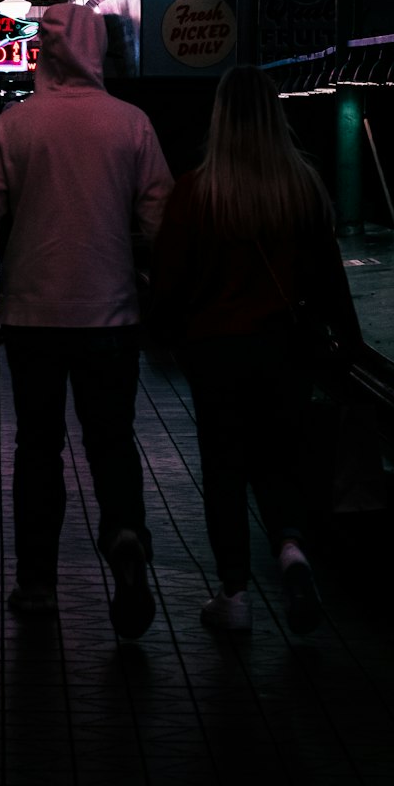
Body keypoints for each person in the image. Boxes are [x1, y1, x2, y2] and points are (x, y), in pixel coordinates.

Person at [0, 3, 173, 637]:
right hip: (112, 319)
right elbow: (162, 223)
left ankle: (38, 584)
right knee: (111, 440)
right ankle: (125, 531)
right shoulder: (131, 125)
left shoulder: (14, 128)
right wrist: (157, 302)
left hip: (31, 318)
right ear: (97, 50)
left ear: (43, 53)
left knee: (38, 449)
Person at [150, 64, 363, 636]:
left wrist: (162, 333)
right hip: (283, 350)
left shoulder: (198, 190)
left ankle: (235, 593)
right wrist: (348, 346)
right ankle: (291, 551)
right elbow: (328, 281)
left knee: (224, 469)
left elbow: (168, 281)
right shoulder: (303, 186)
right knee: (276, 460)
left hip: (216, 352)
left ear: (219, 117)